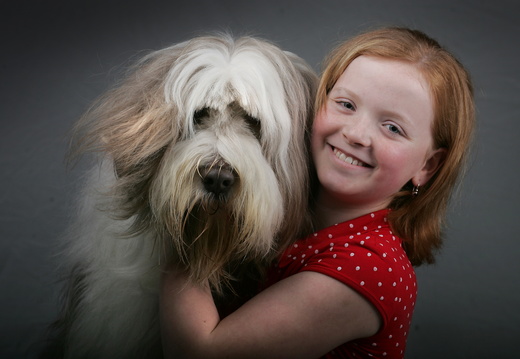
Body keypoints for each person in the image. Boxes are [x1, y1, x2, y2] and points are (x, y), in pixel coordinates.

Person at [160, 27, 475, 359]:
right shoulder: (297, 215)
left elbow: (199, 352)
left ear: (427, 166)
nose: (356, 134)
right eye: (346, 104)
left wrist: (180, 217)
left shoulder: (367, 266)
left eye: (392, 127)